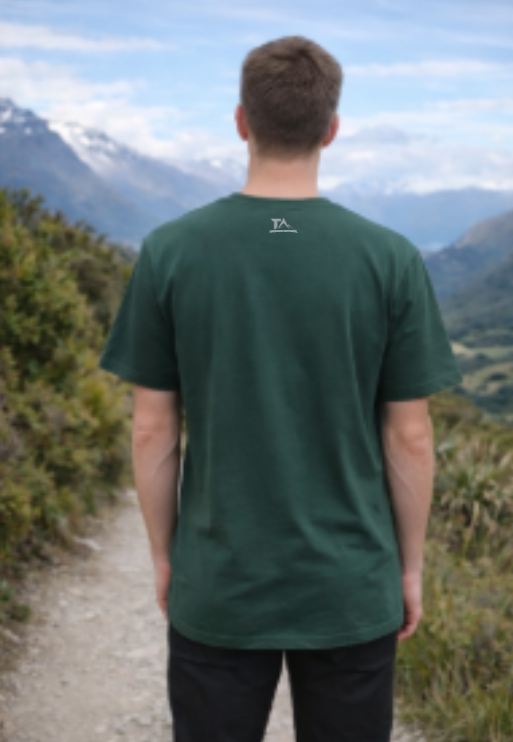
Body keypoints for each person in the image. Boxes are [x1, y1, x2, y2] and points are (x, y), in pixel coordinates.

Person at [99, 35, 463, 742]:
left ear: (242, 122)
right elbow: (411, 436)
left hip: (221, 583)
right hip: (352, 585)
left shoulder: (171, 250)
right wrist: (409, 568)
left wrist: (169, 558)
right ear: (332, 128)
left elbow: (151, 429)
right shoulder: (390, 258)